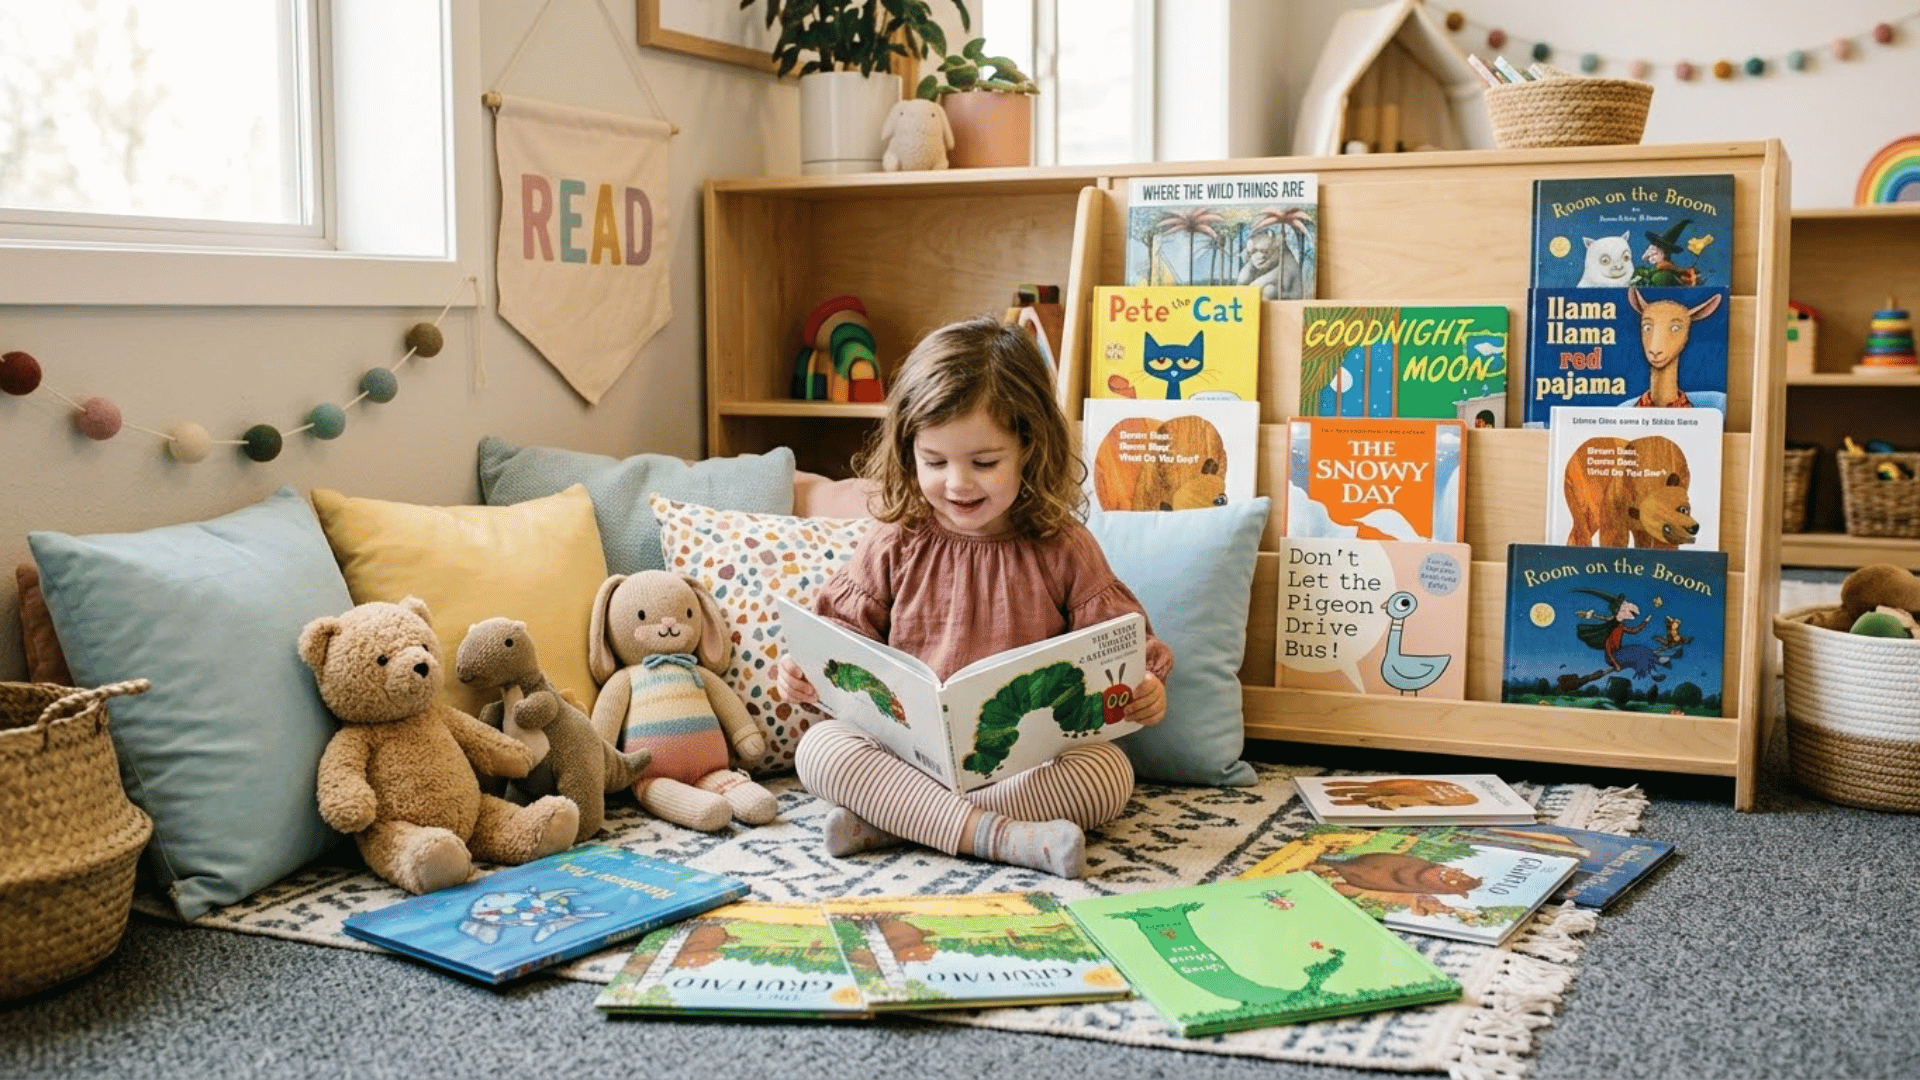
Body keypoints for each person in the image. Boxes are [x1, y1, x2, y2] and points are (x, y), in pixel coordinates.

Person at [774, 314, 1173, 878]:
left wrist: (1142, 689)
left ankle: (896, 823)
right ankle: (1002, 838)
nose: (957, 484)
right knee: (819, 753)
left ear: (1029, 447)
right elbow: (840, 645)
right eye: (934, 462)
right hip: (907, 759)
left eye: (984, 463)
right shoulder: (896, 539)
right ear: (909, 449)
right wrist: (804, 672)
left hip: (1025, 767)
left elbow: (1120, 650)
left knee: (1107, 776)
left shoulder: (1063, 546)